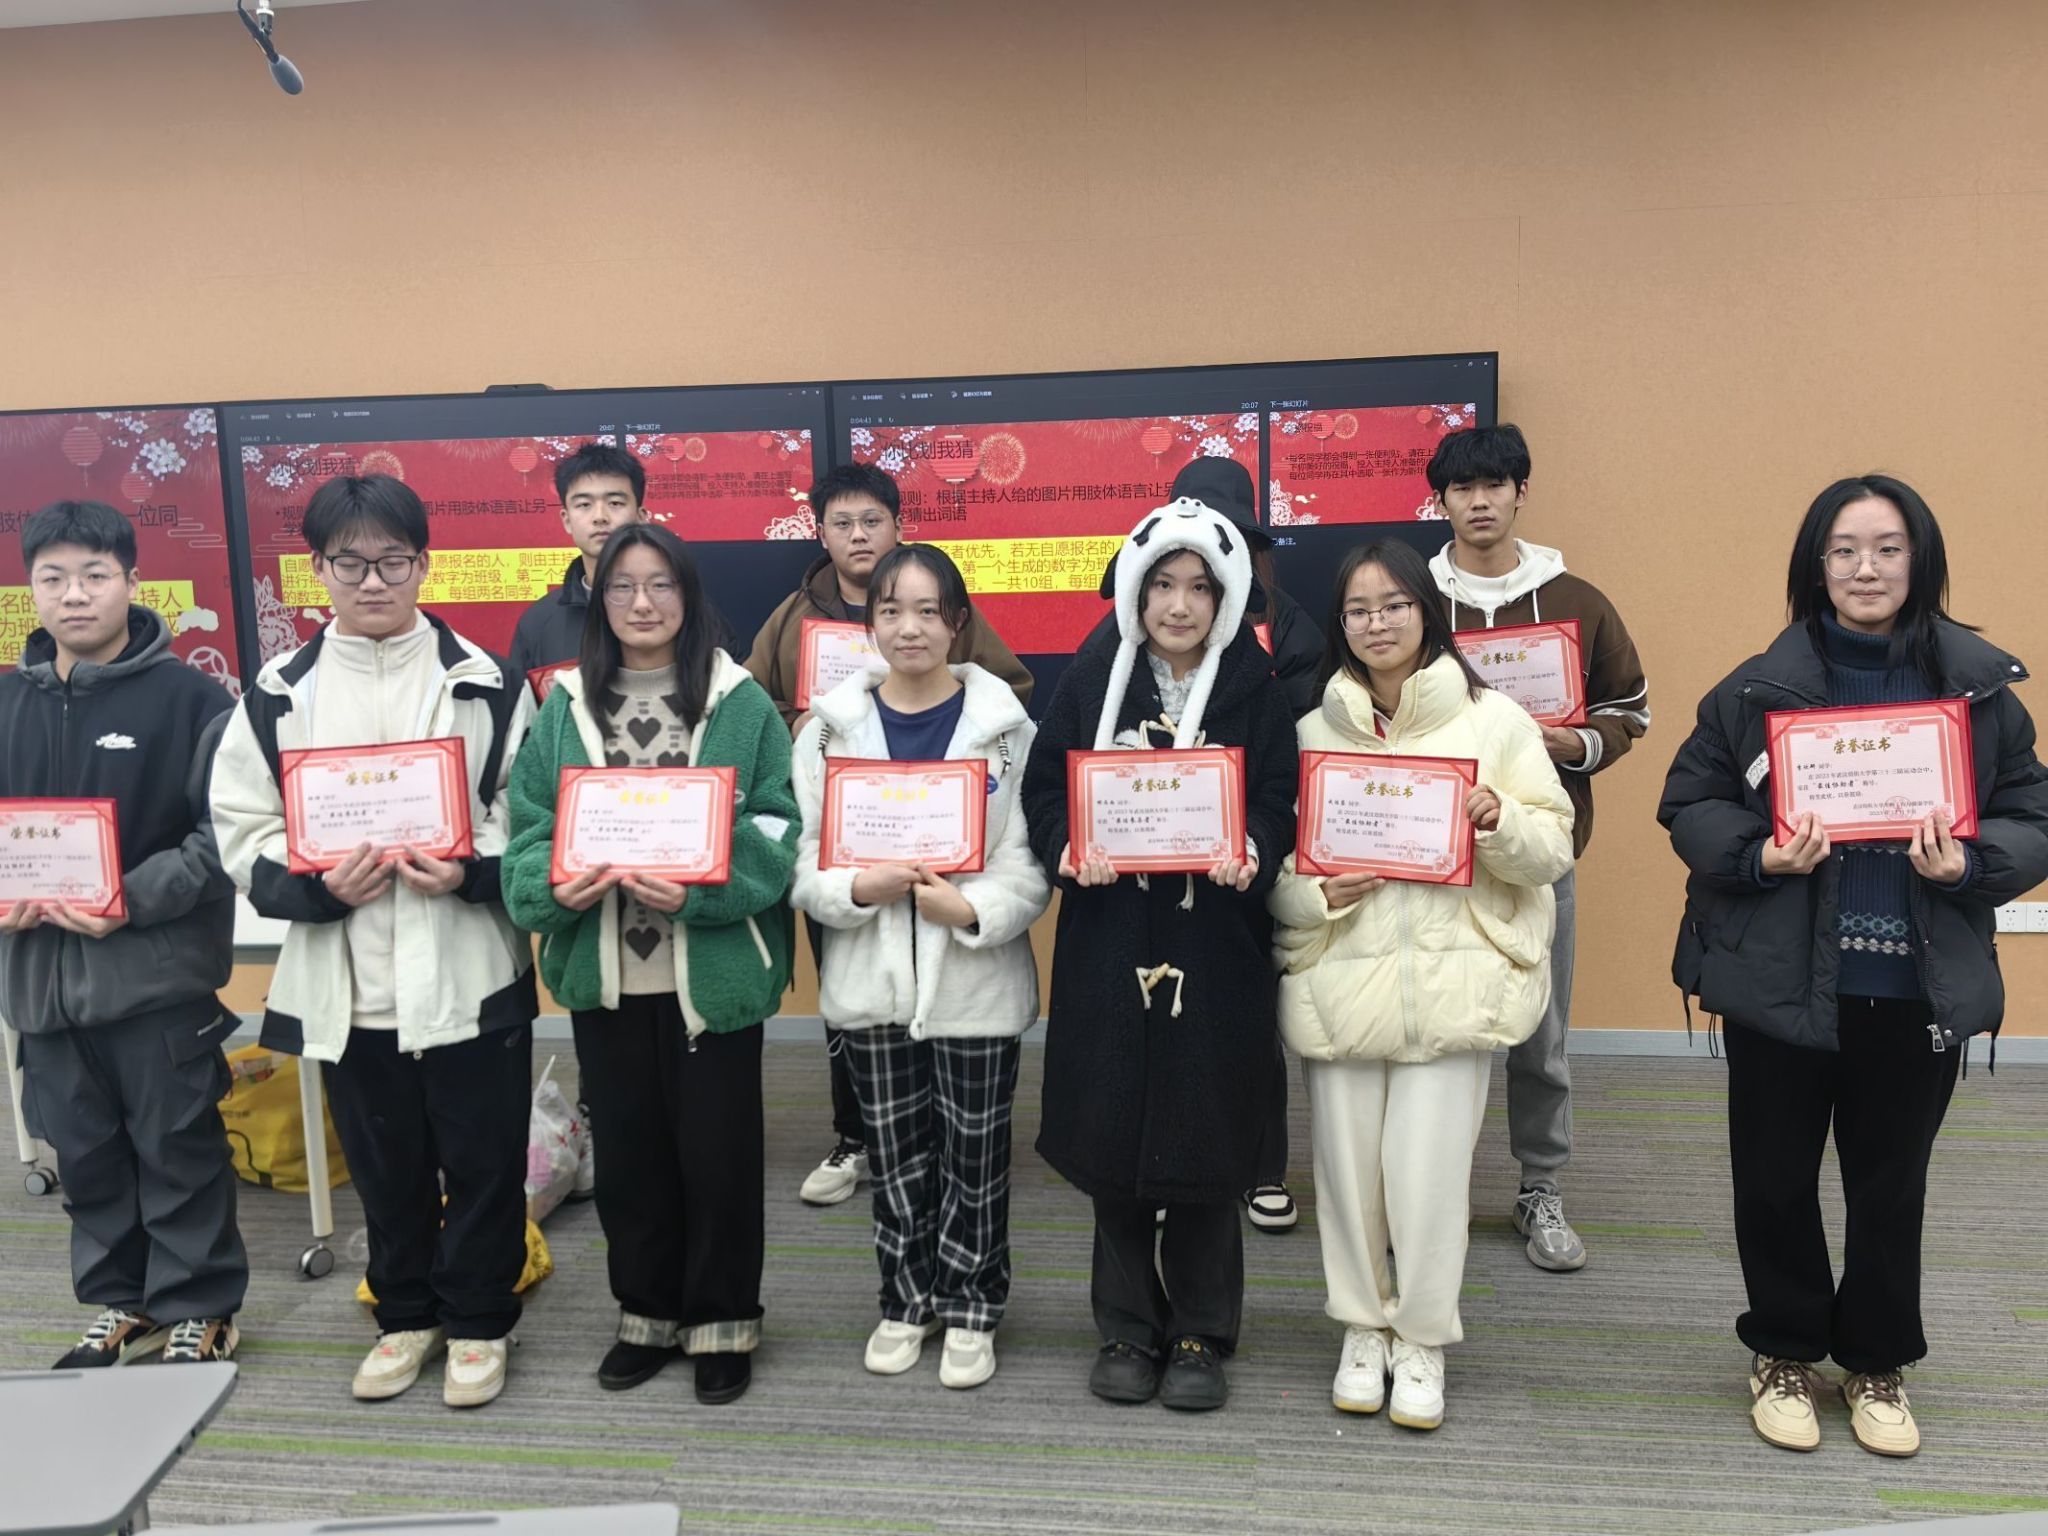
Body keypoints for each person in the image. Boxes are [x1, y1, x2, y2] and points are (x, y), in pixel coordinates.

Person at [1658, 474, 2048, 1458]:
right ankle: (1784, 1349)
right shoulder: (1754, 690)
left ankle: (1875, 1360)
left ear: (1919, 560)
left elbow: (2031, 815)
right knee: (1772, 1180)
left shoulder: (1979, 697)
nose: (1864, 568)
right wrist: (1760, 854)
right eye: (1842, 550)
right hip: (1783, 979)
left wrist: (1971, 864)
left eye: (1885, 548)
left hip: (1912, 986)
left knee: (1890, 1187)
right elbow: (1691, 801)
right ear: (1814, 565)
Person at [211, 473, 538, 1410]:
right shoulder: (280, 692)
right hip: (348, 976)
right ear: (318, 570)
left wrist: (468, 867)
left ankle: (479, 1322)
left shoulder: (486, 680)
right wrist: (315, 886)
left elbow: (525, 808)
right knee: (385, 1165)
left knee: (484, 1160)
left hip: (468, 964)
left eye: (393, 561)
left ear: (424, 564)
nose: (373, 582)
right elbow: (242, 822)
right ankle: (404, 1316)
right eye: (349, 563)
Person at [1269, 540, 1572, 1430]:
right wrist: (1314, 895)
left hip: (1456, 982)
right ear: (1340, 625)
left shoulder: (1495, 722)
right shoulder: (1310, 732)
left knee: (1431, 1179)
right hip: (1342, 981)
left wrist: (1499, 820)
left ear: (1425, 612)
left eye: (1394, 605)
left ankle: (1423, 1337)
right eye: (1358, 610)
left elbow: (1552, 850)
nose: (1377, 623)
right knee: (1347, 1179)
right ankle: (1363, 1328)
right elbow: (1275, 874)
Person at [503, 523, 797, 1406]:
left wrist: (707, 886)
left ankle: (723, 1319)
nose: (642, 602)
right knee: (631, 1161)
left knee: (720, 1160)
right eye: (623, 586)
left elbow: (779, 824)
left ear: (689, 596)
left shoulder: (741, 702)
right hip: (607, 978)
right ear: (599, 600)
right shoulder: (564, 707)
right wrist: (558, 882)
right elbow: (527, 830)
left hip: (714, 976)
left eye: (661, 584)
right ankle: (645, 1312)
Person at [1022, 498, 1298, 1413]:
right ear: (1136, 590)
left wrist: (1252, 845)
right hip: (1111, 946)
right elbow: (1046, 789)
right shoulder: (1092, 674)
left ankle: (1201, 1331)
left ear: (1229, 597)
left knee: (1208, 1143)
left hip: (1213, 950)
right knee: (1114, 1145)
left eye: (1200, 588)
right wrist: (1069, 846)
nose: (1179, 605)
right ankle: (1127, 1325)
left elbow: (1278, 795)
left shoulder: (1255, 685)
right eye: (1163, 585)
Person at [790, 544, 1049, 1391]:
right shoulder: (827, 730)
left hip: (975, 980)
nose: (910, 628)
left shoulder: (1006, 730)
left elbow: (1026, 862)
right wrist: (853, 889)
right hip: (871, 982)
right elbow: (804, 860)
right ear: (869, 622)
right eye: (892, 610)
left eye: (929, 610)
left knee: (976, 1156)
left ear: (957, 623)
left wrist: (971, 911)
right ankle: (906, 1299)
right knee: (897, 1156)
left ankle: (972, 1303)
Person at [745, 462, 1033, 1210]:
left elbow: (1012, 699)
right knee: (860, 1030)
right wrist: (804, 730)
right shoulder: (792, 617)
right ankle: (854, 1136)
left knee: (971, 1152)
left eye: (871, 519)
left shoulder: (952, 619)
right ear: (820, 532)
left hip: (960, 906)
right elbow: (754, 707)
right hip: (856, 875)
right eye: (841, 522)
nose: (858, 534)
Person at [0, 500, 248, 1368]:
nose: (74, 595)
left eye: (94, 575)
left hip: (154, 979)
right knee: (85, 1155)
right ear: (30, 589)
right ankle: (123, 1301)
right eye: (54, 578)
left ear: (133, 582)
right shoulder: (6, 702)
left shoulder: (193, 701)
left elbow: (226, 837)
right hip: (40, 984)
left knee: (177, 1147)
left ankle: (202, 1307)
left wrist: (127, 899)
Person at [1424, 423, 1649, 1272]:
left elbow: (1630, 708)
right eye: (1463, 488)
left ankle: (1540, 1188)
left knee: (1540, 1032)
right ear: (1440, 501)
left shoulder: (1577, 599)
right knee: (1438, 1028)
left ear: (1521, 492)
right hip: (1433, 853)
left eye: (1496, 485)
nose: (1480, 502)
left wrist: (1569, 743)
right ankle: (1432, 1189)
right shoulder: (1414, 597)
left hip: (1539, 850)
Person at [1151, 455, 1318, 1234]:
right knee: (1164, 1019)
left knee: (1250, 1015)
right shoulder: (1134, 623)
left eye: (1229, 535)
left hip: (1243, 854)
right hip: (1152, 864)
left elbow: (1303, 732)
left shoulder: (1284, 622)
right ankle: (1167, 1164)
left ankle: (1261, 1167)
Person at [507, 442, 649, 689]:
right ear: (566, 520)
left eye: (615, 503)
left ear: (641, 517)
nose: (600, 517)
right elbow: (525, 711)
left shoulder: (676, 609)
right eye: (584, 505)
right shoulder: (539, 622)